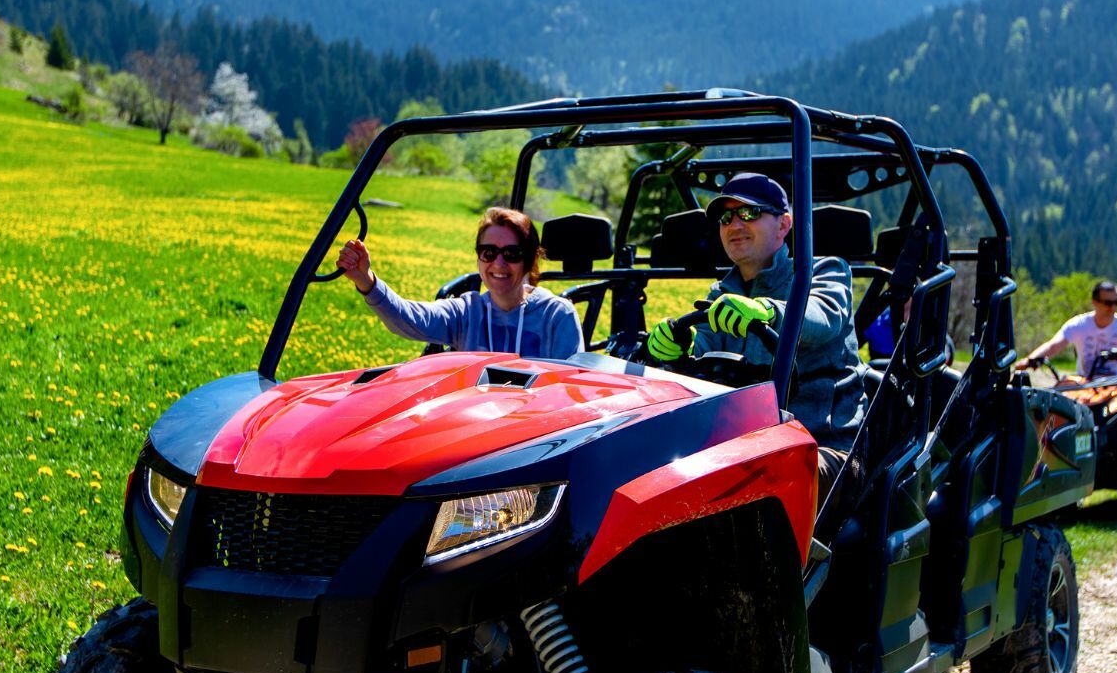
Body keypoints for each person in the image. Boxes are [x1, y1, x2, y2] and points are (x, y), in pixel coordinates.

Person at [644, 173, 866, 502]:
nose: (734, 225)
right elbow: (700, 363)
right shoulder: (720, 295)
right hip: (741, 446)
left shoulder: (822, 272)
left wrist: (766, 310)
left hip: (826, 448)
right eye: (725, 217)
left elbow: (823, 318)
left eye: (749, 213)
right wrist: (675, 353)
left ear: (784, 224)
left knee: (761, 477)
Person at [336, 207, 583, 360]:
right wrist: (365, 280)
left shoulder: (557, 316)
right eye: (488, 252)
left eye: (511, 254)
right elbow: (410, 318)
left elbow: (570, 390)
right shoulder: (467, 312)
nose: (498, 264)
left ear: (529, 260)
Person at [1018, 280, 1117, 379]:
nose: (1113, 307)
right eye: (1108, 303)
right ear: (1095, 302)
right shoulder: (1079, 324)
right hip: (1085, 384)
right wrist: (1030, 360)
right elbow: (1054, 346)